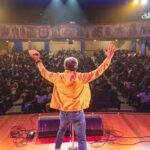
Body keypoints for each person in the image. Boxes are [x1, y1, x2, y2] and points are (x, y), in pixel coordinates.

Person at [29, 45, 116, 150]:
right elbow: (98, 71)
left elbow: (44, 72)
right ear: (76, 67)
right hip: (77, 113)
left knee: (61, 131)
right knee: (81, 138)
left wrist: (38, 60)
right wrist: (108, 58)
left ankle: (57, 149)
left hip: (64, 112)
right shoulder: (82, 77)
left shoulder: (57, 77)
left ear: (65, 66)